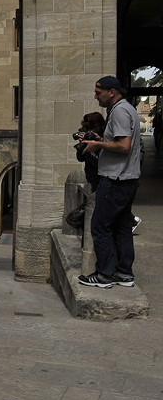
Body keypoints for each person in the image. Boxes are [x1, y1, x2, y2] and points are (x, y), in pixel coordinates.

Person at [77, 77, 141, 289]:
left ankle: (104, 275)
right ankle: (124, 273)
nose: (96, 97)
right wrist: (100, 139)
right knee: (122, 226)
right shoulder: (127, 109)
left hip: (116, 179)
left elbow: (123, 145)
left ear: (111, 92)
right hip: (127, 178)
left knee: (100, 226)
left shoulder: (120, 111)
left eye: (98, 93)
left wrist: (97, 144)